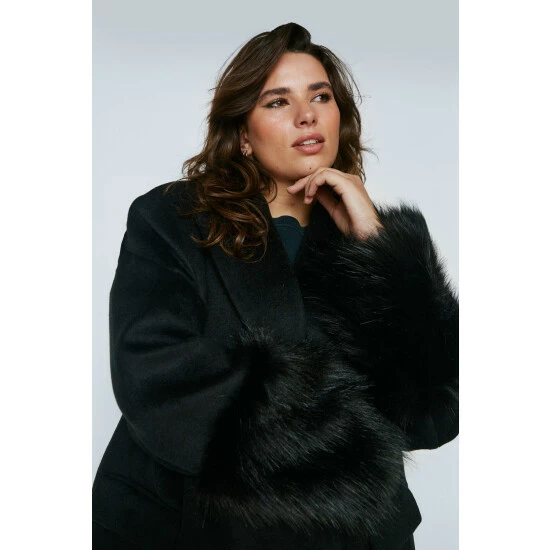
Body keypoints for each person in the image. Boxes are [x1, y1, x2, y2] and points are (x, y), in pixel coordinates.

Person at [92, 22, 458, 550]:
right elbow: (155, 377)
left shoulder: (370, 240)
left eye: (321, 96)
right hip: (195, 531)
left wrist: (378, 248)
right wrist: (355, 450)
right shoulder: (173, 218)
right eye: (277, 101)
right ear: (242, 133)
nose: (306, 115)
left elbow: (437, 412)